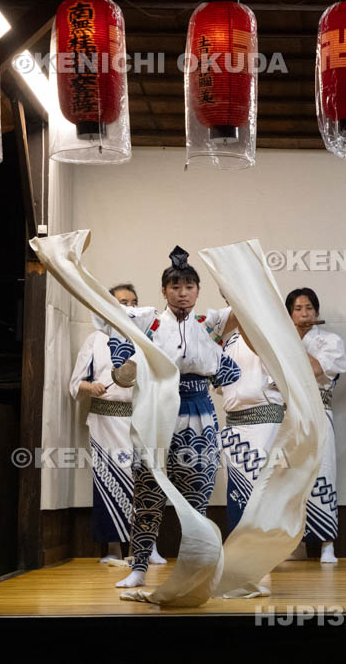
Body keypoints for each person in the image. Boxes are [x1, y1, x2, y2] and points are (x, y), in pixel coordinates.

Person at [101, 247, 242, 588]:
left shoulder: (208, 323)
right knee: (148, 493)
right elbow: (109, 316)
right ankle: (138, 567)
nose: (183, 293)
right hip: (156, 412)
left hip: (200, 415)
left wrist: (229, 281)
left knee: (196, 499)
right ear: (163, 290)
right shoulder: (146, 320)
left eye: (190, 287)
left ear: (197, 291)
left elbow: (244, 308)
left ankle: (196, 568)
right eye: (175, 287)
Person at [69, 283, 143, 563]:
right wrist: (93, 387)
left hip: (138, 418)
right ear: (108, 305)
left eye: (134, 302)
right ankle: (113, 549)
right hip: (104, 420)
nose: (129, 306)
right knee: (109, 480)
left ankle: (142, 549)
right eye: (123, 301)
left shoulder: (143, 340)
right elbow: (75, 384)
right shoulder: (96, 339)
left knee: (142, 482)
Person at [288, 287, 346, 564]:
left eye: (309, 308)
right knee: (288, 478)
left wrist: (292, 341)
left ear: (317, 311)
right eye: (298, 309)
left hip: (319, 412)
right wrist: (287, 337)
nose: (304, 314)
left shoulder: (330, 340)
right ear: (289, 314)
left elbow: (315, 370)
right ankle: (290, 544)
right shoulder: (280, 340)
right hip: (288, 415)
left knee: (324, 473)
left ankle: (327, 543)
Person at [215, 306, 284, 534]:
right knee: (236, 489)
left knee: (260, 489)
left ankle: (260, 553)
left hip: (264, 419)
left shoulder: (271, 332)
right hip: (234, 423)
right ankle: (239, 550)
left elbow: (273, 365)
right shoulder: (229, 339)